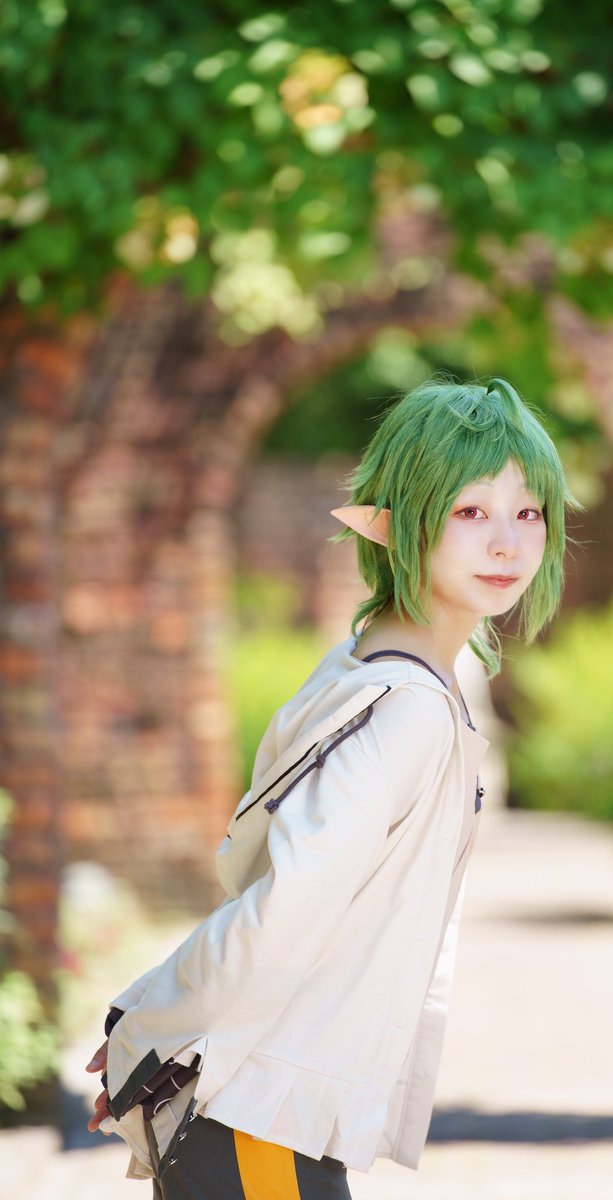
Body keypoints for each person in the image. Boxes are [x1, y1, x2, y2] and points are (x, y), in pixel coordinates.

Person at [86, 374, 580, 1198]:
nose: (507, 543)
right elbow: (281, 908)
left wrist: (150, 1017)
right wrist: (147, 1028)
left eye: (529, 513)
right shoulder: (406, 707)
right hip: (256, 1112)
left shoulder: (378, 668)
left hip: (269, 1107)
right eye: (470, 511)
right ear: (399, 523)